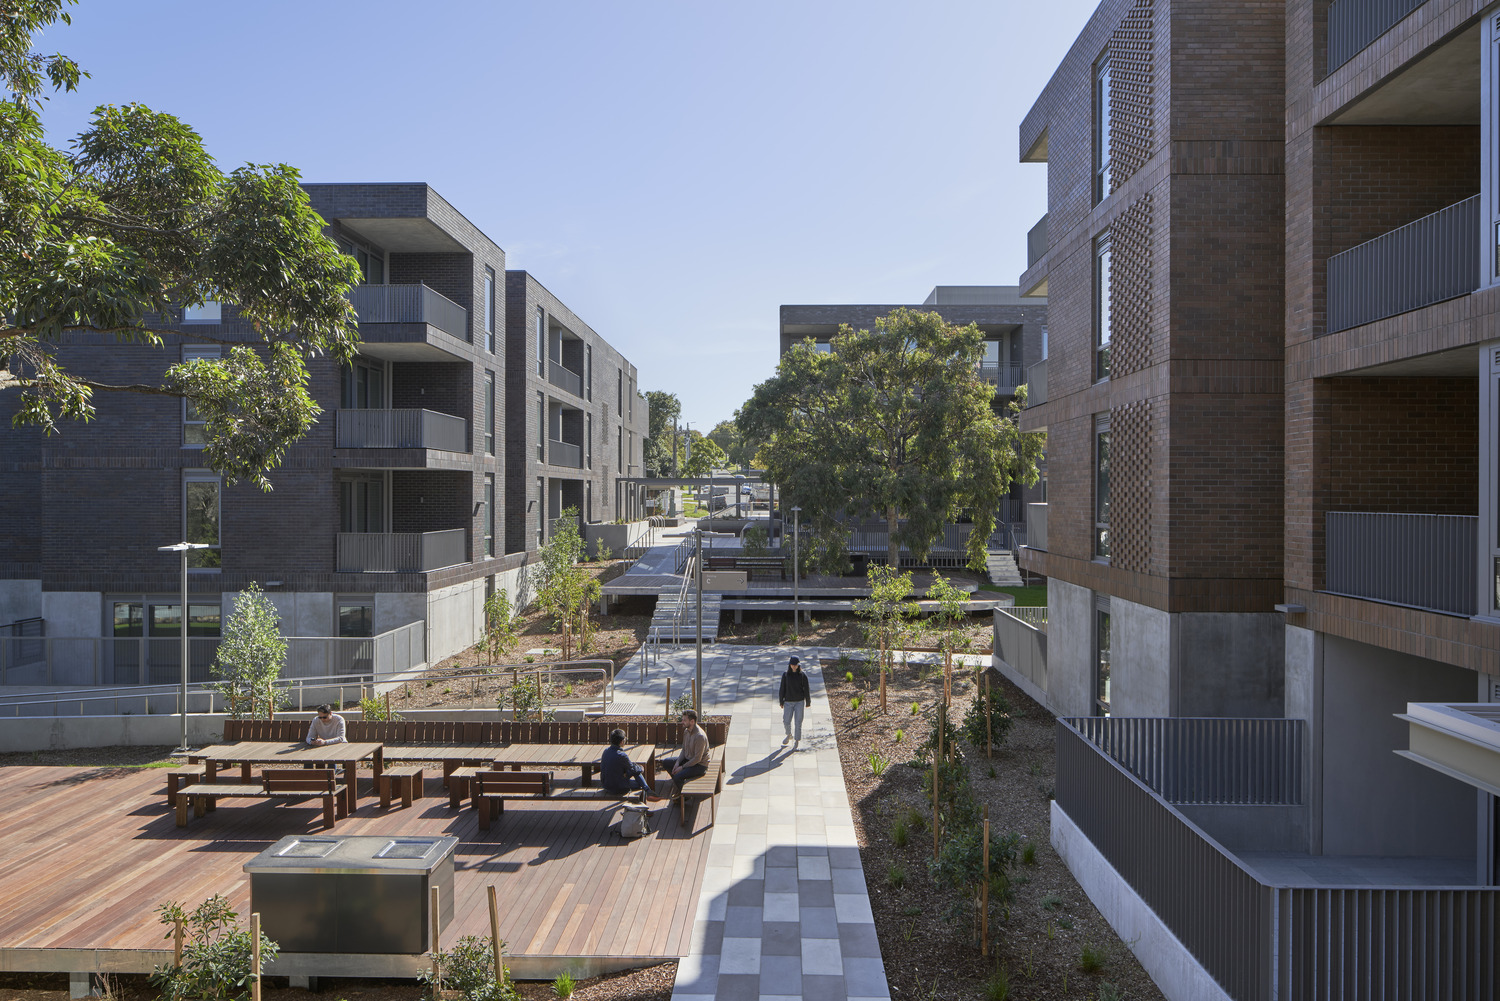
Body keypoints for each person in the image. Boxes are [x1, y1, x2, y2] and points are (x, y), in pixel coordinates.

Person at [656, 709, 709, 801]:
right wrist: (677, 763)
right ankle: (680, 785)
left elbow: (697, 758)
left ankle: (685, 795)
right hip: (688, 760)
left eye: (684, 720)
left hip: (699, 765)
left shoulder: (699, 736)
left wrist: (682, 767)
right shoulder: (686, 731)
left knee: (677, 776)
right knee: (666, 762)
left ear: (692, 721)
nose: (682, 722)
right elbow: (684, 750)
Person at [600, 728, 664, 801]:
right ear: (622, 742)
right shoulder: (621, 755)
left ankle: (648, 791)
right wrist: (640, 768)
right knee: (637, 773)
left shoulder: (606, 751)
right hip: (617, 788)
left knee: (634, 769)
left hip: (606, 785)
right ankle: (648, 791)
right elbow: (633, 769)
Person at [779, 656, 812, 746]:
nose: (793, 666)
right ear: (790, 665)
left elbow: (806, 689)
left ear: (798, 665)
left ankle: (797, 740)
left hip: (799, 702)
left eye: (795, 665)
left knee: (798, 722)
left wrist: (808, 701)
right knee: (786, 721)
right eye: (792, 665)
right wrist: (781, 701)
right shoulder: (785, 675)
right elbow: (782, 688)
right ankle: (788, 734)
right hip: (788, 702)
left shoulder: (802, 675)